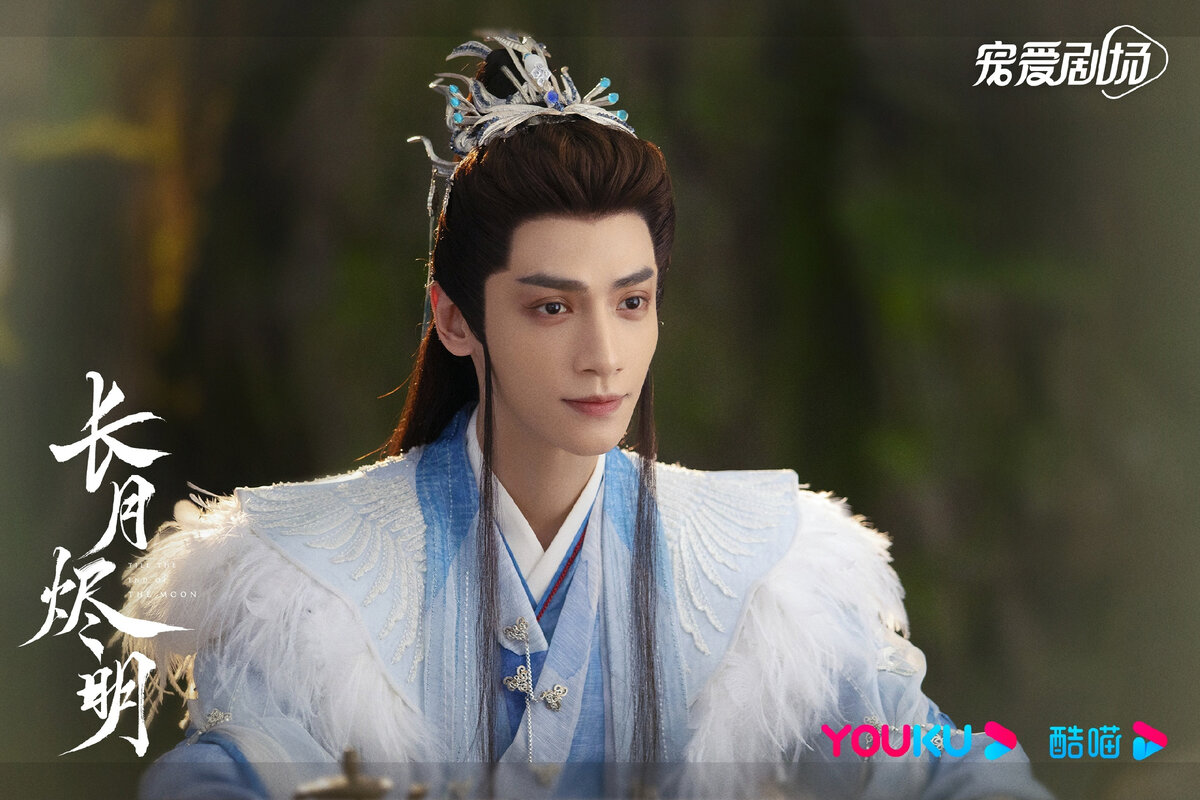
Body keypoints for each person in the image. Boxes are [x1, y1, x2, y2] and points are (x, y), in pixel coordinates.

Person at [120, 33, 1053, 800]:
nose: (604, 353)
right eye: (551, 307)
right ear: (455, 319)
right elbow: (230, 773)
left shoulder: (770, 573)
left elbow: (924, 760)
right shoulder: (308, 582)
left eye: (632, 302)